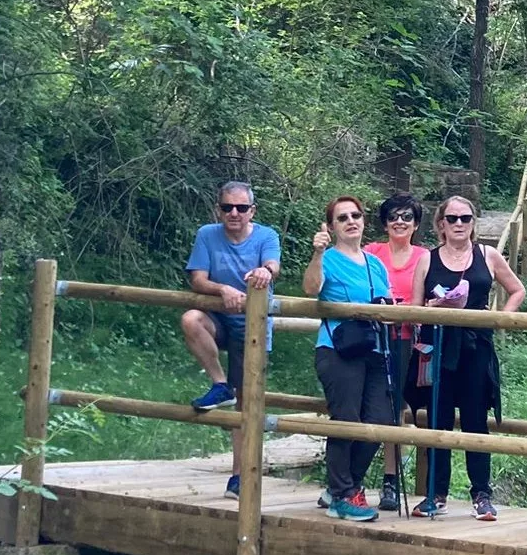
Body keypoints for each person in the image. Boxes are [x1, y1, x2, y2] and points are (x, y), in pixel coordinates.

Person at [415, 194, 527, 521]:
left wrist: (500, 319)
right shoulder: (428, 259)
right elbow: (415, 307)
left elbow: (517, 289)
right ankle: (436, 492)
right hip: (438, 346)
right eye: (452, 218)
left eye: (465, 218)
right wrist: (433, 308)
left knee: (476, 420)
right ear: (441, 224)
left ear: (473, 223)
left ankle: (481, 493)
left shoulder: (487, 255)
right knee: (438, 419)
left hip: (476, 347)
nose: (459, 224)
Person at [180, 181, 282, 499]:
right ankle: (219, 383)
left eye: (241, 208)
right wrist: (223, 289)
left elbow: (273, 266)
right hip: (219, 318)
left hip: (252, 326)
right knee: (190, 319)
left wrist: (264, 272)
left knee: (245, 404)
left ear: (252, 211)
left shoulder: (266, 236)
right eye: (227, 207)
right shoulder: (207, 234)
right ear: (219, 210)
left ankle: (239, 476)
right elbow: (198, 279)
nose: (234, 213)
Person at [302, 196, 393, 523]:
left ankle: (341, 487)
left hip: (375, 349)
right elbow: (311, 289)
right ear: (332, 226)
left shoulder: (375, 263)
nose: (351, 221)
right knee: (347, 420)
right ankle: (343, 495)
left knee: (381, 421)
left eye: (356, 215)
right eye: (342, 218)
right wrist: (317, 253)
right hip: (338, 349)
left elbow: (389, 303)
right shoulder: (327, 259)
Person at [372, 193, 432, 513]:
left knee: (403, 408)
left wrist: (405, 310)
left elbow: (429, 297)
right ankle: (376, 479)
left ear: (416, 224)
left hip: (409, 341)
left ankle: (404, 481)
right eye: (393, 216)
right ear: (385, 223)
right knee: (378, 407)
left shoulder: (424, 256)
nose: (400, 222)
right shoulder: (372, 252)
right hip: (374, 338)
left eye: (407, 217)